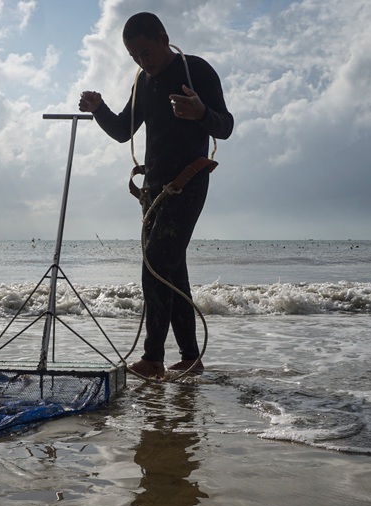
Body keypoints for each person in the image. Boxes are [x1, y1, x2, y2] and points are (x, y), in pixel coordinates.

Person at [79, 12, 233, 379]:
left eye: (146, 53)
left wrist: (200, 113)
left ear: (164, 38)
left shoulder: (196, 70)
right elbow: (122, 131)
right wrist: (99, 109)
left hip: (187, 181)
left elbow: (224, 126)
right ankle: (191, 358)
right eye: (134, 56)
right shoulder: (143, 82)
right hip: (153, 191)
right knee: (171, 272)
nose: (141, 61)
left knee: (154, 265)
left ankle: (152, 358)